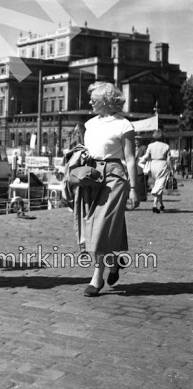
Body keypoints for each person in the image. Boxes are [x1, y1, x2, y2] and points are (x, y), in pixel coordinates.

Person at [79, 82, 139, 297]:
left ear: (105, 101)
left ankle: (97, 277)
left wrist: (134, 189)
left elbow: (131, 159)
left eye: (93, 99)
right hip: (92, 177)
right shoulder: (89, 124)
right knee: (106, 223)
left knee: (102, 225)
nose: (89, 102)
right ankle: (114, 263)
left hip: (114, 177)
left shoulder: (124, 126)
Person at [141, 130, 174, 213]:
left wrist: (142, 161)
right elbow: (168, 159)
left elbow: (147, 155)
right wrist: (171, 169)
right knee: (159, 185)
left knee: (157, 184)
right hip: (162, 164)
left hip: (153, 164)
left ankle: (157, 204)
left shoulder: (150, 145)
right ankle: (154, 196)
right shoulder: (166, 146)